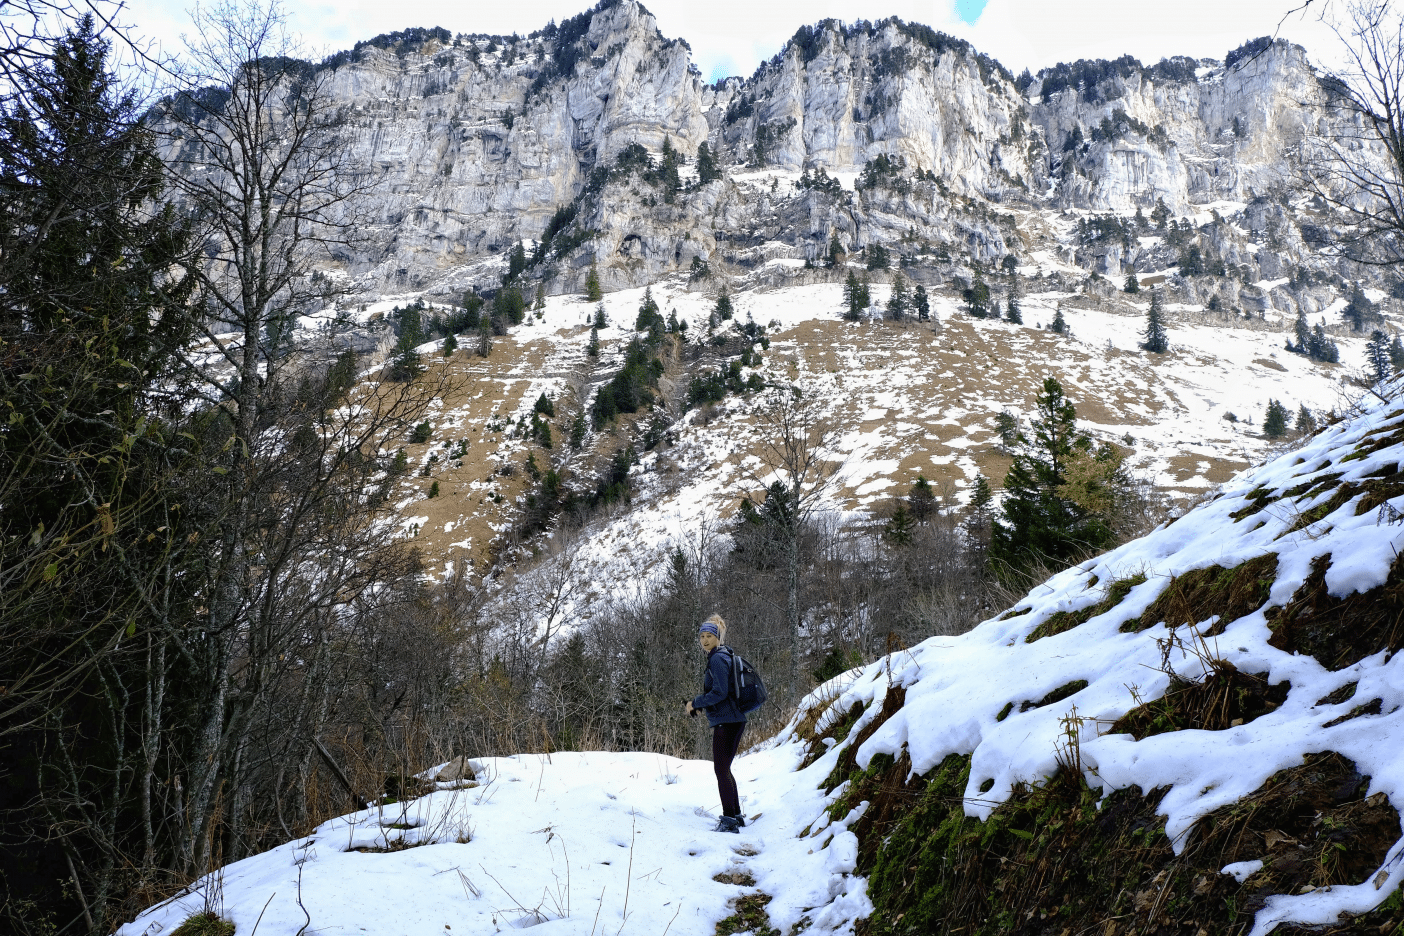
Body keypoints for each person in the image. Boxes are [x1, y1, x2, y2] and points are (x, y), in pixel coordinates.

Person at [685, 613, 747, 833]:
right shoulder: (722, 656)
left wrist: (696, 702)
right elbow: (724, 691)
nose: (704, 640)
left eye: (709, 635)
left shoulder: (718, 658)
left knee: (721, 770)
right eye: (701, 636)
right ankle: (736, 815)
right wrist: (702, 704)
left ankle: (729, 820)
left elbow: (719, 692)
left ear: (718, 636)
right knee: (725, 769)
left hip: (727, 722)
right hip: (731, 719)